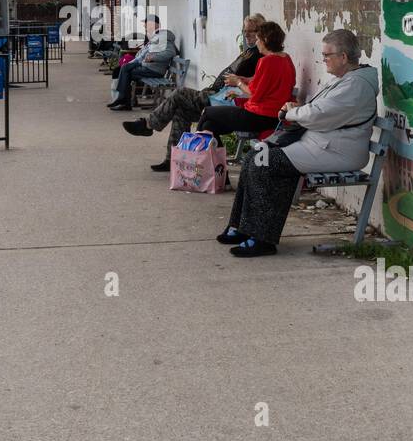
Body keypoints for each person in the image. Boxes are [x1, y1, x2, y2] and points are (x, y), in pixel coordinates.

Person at [219, 28, 379, 258]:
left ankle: (262, 239)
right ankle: (242, 227)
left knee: (264, 162)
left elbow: (317, 115)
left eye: (327, 55)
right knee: (257, 154)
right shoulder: (347, 80)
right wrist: (298, 111)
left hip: (336, 151)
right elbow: (319, 112)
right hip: (320, 144)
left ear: (343, 57)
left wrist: (291, 113)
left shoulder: (356, 85)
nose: (323, 59)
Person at [121, 13, 266, 172]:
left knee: (180, 93)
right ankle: (172, 159)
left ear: (261, 31)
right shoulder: (250, 51)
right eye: (245, 30)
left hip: (226, 101)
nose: (246, 34)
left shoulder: (261, 55)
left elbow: (256, 83)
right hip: (216, 94)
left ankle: (148, 124)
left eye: (251, 31)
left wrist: (238, 81)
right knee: (181, 111)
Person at [194, 20, 294, 140]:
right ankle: (214, 158)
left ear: (265, 40)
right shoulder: (286, 59)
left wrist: (238, 82)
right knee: (209, 125)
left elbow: (253, 93)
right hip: (275, 116)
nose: (257, 43)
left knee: (207, 112)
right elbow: (268, 83)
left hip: (259, 116)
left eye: (258, 39)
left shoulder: (266, 61)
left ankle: (193, 152)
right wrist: (245, 79)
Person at [107, 14, 177, 111]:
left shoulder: (163, 38)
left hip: (154, 70)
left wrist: (154, 57)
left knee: (125, 71)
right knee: (122, 69)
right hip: (146, 66)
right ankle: (123, 101)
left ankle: (123, 101)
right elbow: (143, 55)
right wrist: (132, 62)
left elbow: (171, 52)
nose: (145, 26)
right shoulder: (156, 36)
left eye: (146, 24)